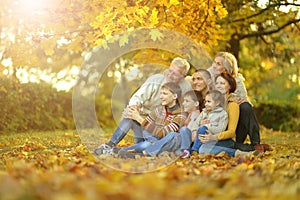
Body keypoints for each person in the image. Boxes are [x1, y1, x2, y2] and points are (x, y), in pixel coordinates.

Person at [94, 57, 191, 155]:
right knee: (131, 115)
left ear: (182, 77)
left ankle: (127, 152)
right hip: (144, 118)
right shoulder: (155, 81)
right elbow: (137, 97)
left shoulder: (186, 87)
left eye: (175, 74)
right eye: (170, 71)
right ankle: (110, 145)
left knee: (150, 143)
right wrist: (134, 109)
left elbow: (190, 104)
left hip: (160, 129)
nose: (170, 75)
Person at [207, 52, 271, 152]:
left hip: (234, 127)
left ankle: (256, 143)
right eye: (214, 62)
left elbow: (246, 105)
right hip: (216, 124)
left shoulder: (238, 82)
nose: (214, 66)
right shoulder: (208, 78)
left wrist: (235, 99)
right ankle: (248, 148)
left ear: (226, 68)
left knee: (245, 106)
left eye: (219, 64)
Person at [116, 82, 187, 156]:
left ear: (175, 96)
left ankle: (130, 152)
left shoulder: (182, 114)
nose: (161, 97)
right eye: (161, 93)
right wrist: (135, 114)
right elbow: (147, 124)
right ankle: (112, 146)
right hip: (152, 139)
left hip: (166, 143)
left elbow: (162, 133)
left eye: (164, 94)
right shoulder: (158, 109)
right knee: (132, 120)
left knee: (151, 143)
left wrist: (138, 118)